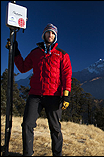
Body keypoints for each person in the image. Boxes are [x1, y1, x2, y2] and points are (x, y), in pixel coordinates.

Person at [10, 23, 72, 156]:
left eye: (53, 33)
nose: (50, 35)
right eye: (48, 32)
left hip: (54, 96)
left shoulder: (62, 54)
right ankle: (27, 153)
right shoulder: (35, 53)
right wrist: (16, 53)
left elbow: (67, 75)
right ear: (44, 35)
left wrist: (66, 94)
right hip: (35, 95)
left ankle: (57, 154)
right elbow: (23, 67)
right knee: (27, 124)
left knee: (55, 128)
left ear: (55, 36)